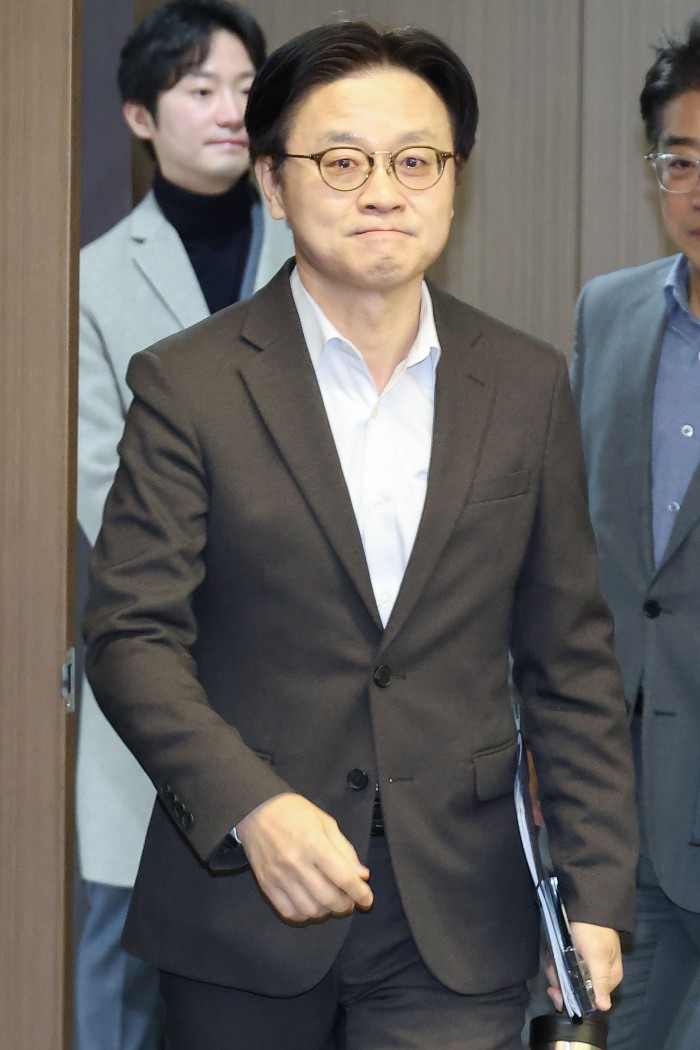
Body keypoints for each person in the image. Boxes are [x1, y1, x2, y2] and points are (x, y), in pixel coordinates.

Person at [84, 21, 637, 1050]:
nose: (384, 191)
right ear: (273, 182)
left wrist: (596, 889)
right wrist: (251, 806)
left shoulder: (523, 385)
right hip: (244, 900)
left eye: (416, 161)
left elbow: (571, 663)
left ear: (455, 180)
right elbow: (130, 635)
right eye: (342, 162)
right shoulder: (188, 384)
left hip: (458, 910)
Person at [76, 2, 292, 1047]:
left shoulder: (319, 247)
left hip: (301, 662)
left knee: (282, 961)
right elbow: (95, 479)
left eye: (246, 87)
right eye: (200, 89)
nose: (230, 110)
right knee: (121, 969)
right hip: (157, 657)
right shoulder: (89, 278)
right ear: (139, 116)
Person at [571, 17, 700, 1050]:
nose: (697, 189)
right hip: (627, 812)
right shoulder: (604, 314)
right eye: (679, 161)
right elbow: (579, 554)